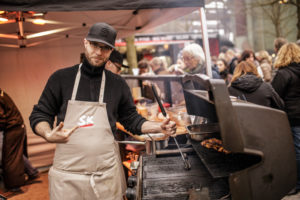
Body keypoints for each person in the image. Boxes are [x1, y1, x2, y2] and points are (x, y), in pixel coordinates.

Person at [29, 22, 176, 200]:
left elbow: (131, 119)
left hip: (105, 178)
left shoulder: (118, 84)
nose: (99, 52)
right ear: (85, 43)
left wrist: (159, 127)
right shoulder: (61, 78)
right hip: (67, 179)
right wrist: (48, 134)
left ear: (111, 50)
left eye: (105, 48)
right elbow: (39, 114)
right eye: (94, 45)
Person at [271, 43, 300, 194]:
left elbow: (274, 94)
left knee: (295, 151)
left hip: (292, 116)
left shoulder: (283, 73)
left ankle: (295, 183)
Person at [0, 89, 39, 192]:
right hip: (17, 125)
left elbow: (2, 117)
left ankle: (15, 185)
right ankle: (32, 172)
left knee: (11, 157)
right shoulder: (2, 93)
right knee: (15, 153)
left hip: (13, 127)